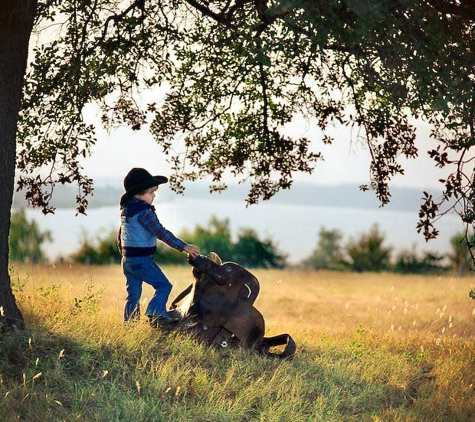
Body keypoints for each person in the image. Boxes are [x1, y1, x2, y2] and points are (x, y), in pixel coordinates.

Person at [118, 167, 200, 327]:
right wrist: (185, 247)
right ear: (138, 194)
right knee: (164, 285)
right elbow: (160, 232)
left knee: (133, 295)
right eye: (151, 192)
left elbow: (120, 235)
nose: (154, 195)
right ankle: (156, 315)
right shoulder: (144, 212)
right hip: (142, 261)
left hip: (127, 261)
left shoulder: (126, 210)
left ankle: (129, 326)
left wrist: (123, 253)